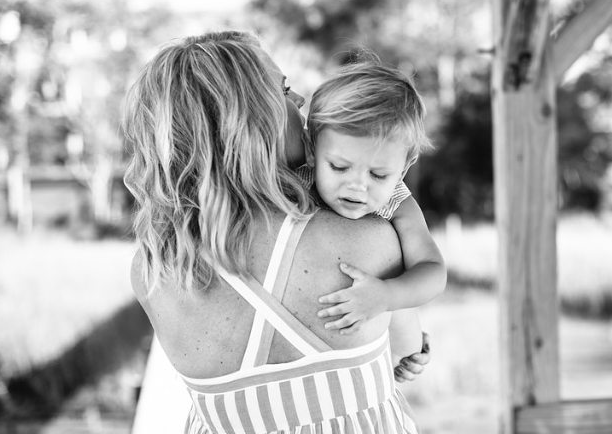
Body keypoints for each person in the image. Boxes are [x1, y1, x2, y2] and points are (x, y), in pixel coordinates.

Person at [124, 31, 428, 433]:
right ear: (251, 118)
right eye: (283, 90)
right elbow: (404, 353)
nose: (300, 100)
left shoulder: (154, 269)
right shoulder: (367, 242)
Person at [297, 62, 447, 334]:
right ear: (311, 150)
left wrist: (388, 297)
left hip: (371, 330)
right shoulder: (298, 182)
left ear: (403, 167)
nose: (357, 186)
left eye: (378, 175)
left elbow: (433, 270)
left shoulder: (397, 204)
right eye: (339, 167)